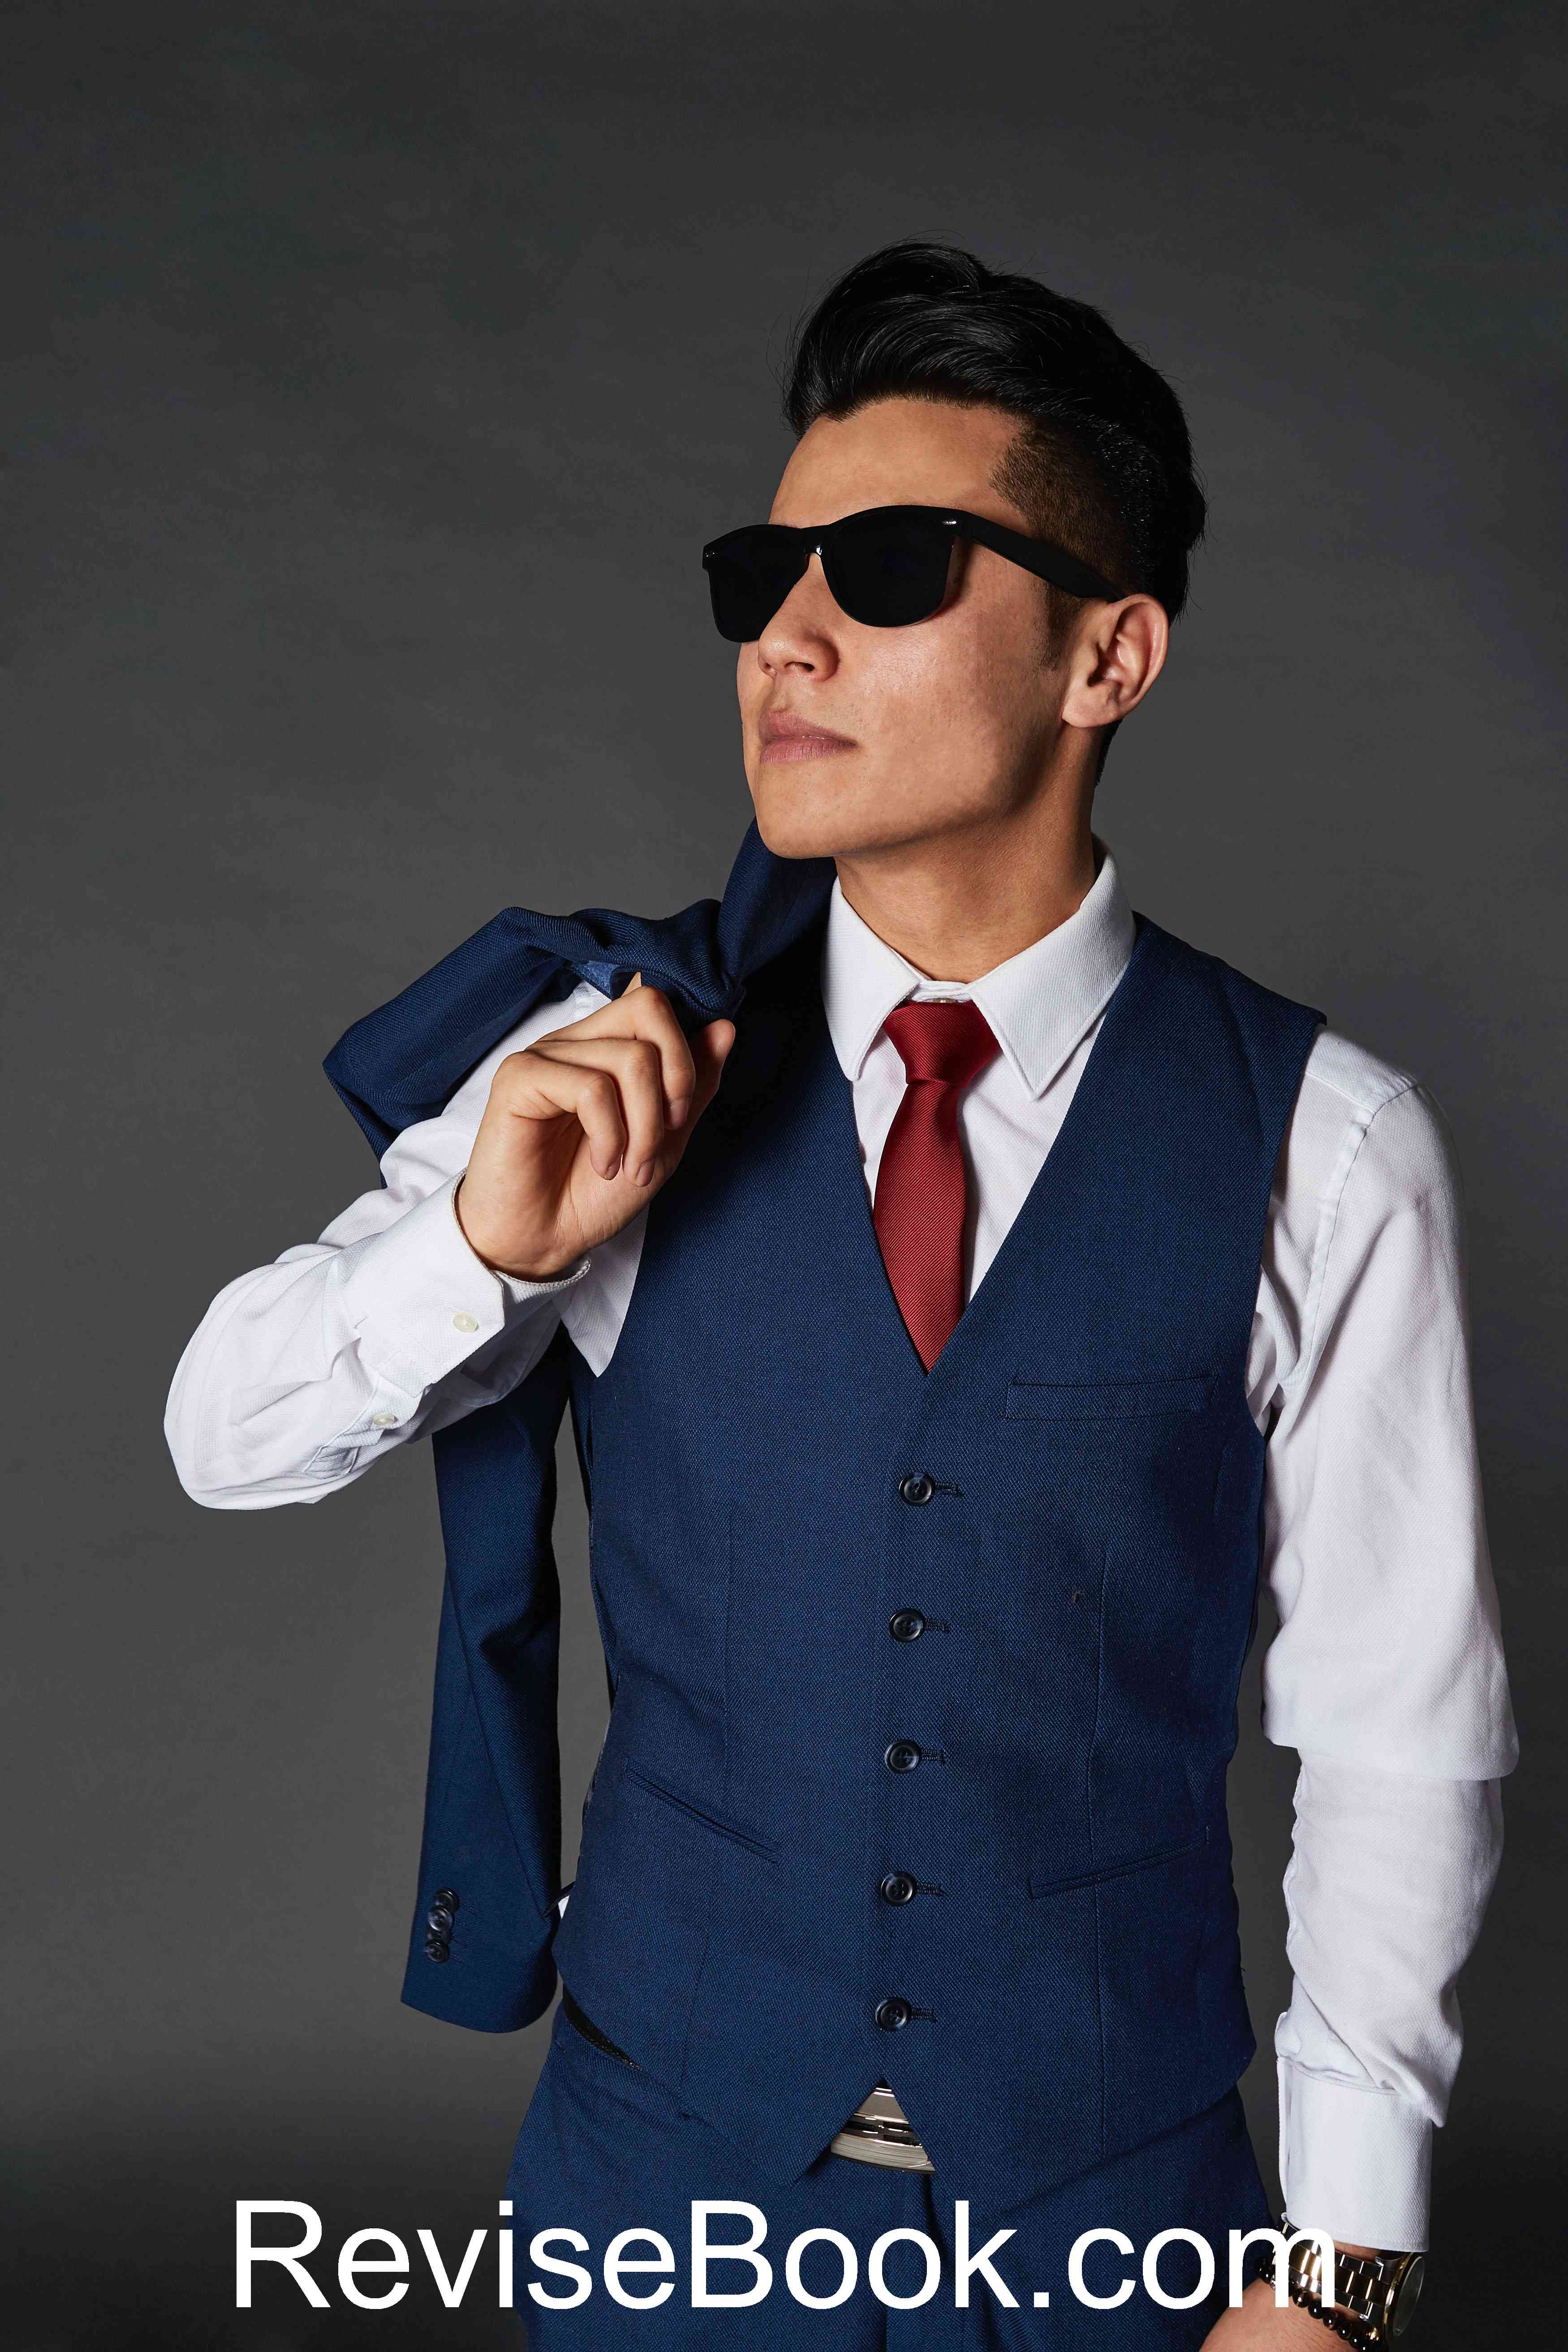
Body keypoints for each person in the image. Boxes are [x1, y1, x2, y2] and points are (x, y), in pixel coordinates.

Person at [166, 242, 1516, 2347]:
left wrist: (1337, 2272)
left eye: (887, 567)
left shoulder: (1326, 1142)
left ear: (1106, 655)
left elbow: (1392, 1728)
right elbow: (219, 1436)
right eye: (759, 575)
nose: (783, 639)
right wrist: (480, 1250)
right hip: (659, 2217)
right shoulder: (621, 1063)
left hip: (1114, 2234)